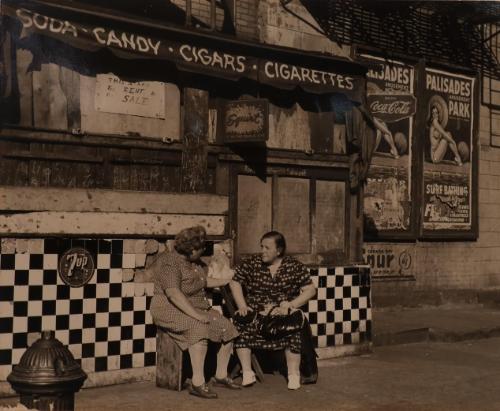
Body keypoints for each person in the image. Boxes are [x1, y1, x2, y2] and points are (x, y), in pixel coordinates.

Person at [150, 226, 240, 399]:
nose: (203, 251)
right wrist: (197, 316)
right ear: (191, 249)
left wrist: (228, 280)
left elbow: (203, 282)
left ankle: (220, 375)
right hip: (168, 308)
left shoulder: (193, 263)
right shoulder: (169, 263)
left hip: (194, 306)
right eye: (201, 248)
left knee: (226, 327)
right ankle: (198, 383)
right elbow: (174, 294)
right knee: (198, 328)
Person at [229, 231, 317, 390]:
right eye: (261, 247)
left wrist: (290, 305)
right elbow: (235, 283)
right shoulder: (252, 263)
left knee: (293, 329)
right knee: (240, 321)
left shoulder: (293, 266)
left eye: (267, 248)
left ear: (279, 251)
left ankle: (293, 375)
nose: (262, 251)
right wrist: (242, 305)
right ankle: (248, 372)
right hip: (257, 312)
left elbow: (310, 290)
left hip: (281, 313)